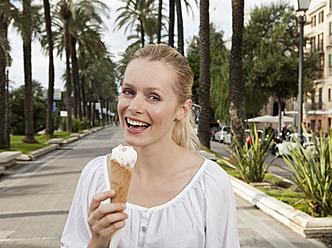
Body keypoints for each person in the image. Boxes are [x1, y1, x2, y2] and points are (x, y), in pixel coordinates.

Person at [61, 44, 239, 248]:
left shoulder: (210, 184)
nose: (134, 107)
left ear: (182, 109)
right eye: (128, 91)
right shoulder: (94, 176)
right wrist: (97, 242)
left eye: (153, 97)